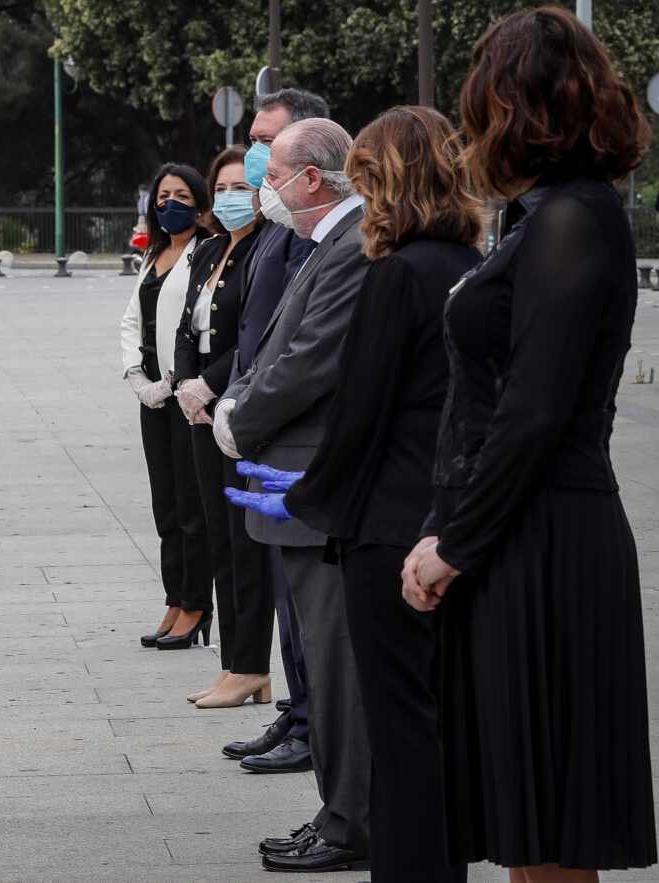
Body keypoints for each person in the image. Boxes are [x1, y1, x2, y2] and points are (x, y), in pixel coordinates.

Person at [401, 9, 656, 881]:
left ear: (516, 105)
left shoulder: (572, 219)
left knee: (546, 829)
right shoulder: (546, 215)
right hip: (523, 536)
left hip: (544, 541)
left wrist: (454, 542)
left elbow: (534, 411)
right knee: (526, 825)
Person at [234, 105, 482, 882]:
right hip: (438, 509)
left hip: (381, 524)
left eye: (366, 180)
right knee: (430, 722)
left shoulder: (394, 270)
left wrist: (308, 493)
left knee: (395, 723)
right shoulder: (463, 264)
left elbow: (361, 408)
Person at [213, 117, 372, 873]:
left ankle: (351, 821)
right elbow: (272, 342)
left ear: (312, 178)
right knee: (318, 657)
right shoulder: (319, 243)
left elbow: (311, 360)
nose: (260, 185)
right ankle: (336, 809)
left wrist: (239, 418)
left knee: (338, 669)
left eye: (270, 172)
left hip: (314, 487)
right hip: (294, 487)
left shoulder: (350, 244)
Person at [212, 88, 329, 772]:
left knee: (305, 595)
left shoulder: (315, 234)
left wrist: (245, 406)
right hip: (256, 423)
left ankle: (313, 719)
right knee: (285, 587)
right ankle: (299, 709)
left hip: (286, 432)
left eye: (267, 142)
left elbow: (299, 346)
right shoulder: (277, 225)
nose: (255, 153)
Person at [170, 145, 268, 707]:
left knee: (242, 542)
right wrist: (186, 384)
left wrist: (210, 385)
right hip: (197, 409)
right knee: (216, 537)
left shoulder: (263, 251)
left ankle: (249, 663)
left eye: (242, 188)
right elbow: (188, 326)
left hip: (234, 407)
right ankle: (233, 664)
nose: (232, 198)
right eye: (223, 189)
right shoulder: (209, 252)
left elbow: (251, 338)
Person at [119, 163, 214, 650]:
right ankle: (174, 598)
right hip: (152, 397)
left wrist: (173, 383)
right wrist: (138, 379)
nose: (169, 203)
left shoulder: (208, 255)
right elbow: (133, 320)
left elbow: (196, 327)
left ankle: (197, 604)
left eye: (180, 195)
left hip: (187, 396)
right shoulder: (154, 254)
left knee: (192, 505)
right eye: (162, 196)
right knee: (165, 504)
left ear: (199, 205)